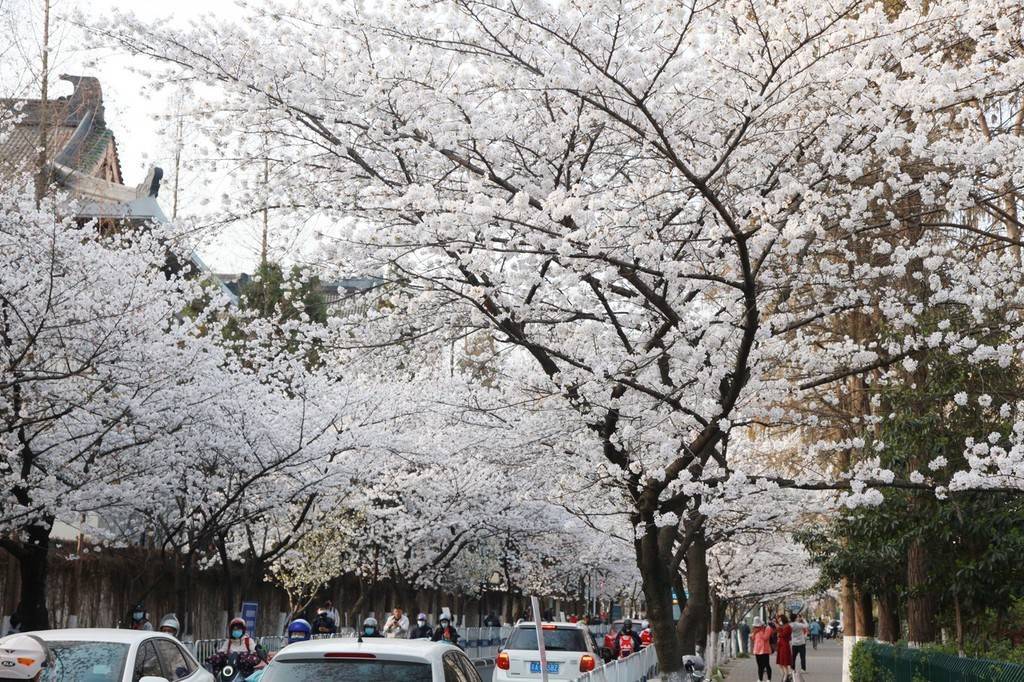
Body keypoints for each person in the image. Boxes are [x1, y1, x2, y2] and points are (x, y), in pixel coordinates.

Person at [751, 617, 774, 682]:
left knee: (766, 664)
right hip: (757, 649)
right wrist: (755, 632)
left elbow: (765, 638)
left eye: (758, 626)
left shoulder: (767, 628)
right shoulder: (756, 629)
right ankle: (760, 679)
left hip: (765, 650)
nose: (756, 627)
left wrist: (760, 631)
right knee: (759, 665)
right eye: (755, 626)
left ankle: (769, 679)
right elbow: (753, 638)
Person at [775, 614, 793, 682]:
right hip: (781, 646)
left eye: (780, 620)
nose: (779, 621)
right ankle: (785, 676)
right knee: (780, 663)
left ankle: (785, 677)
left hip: (784, 646)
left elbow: (783, 635)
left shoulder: (787, 627)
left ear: (783, 619)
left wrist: (779, 629)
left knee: (784, 663)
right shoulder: (783, 626)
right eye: (778, 620)